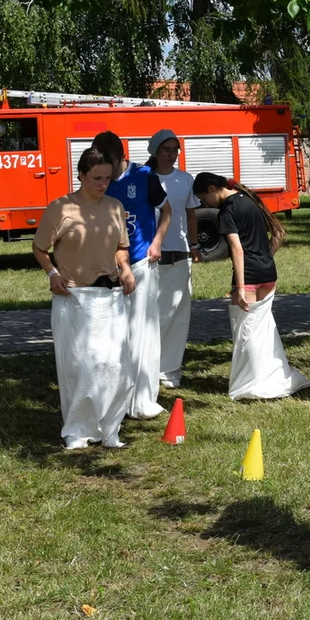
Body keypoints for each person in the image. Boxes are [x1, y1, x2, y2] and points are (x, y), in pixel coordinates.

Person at [33, 148, 136, 449]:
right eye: (96, 178)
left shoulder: (115, 206)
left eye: (107, 178)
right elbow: (40, 249)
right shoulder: (61, 208)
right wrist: (53, 274)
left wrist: (126, 268)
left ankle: (110, 429)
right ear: (80, 175)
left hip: (110, 295)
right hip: (74, 298)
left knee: (116, 366)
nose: (103, 184)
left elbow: (120, 247)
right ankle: (78, 431)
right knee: (82, 367)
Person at [193, 172, 310, 400]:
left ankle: (254, 382)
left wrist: (239, 285)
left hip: (249, 274)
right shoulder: (250, 200)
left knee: (247, 332)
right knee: (263, 328)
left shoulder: (227, 210)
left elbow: (237, 249)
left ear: (211, 189)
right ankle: (270, 373)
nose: (204, 204)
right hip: (268, 270)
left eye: (203, 199)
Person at [93, 131, 172, 420]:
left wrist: (157, 242)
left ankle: (142, 398)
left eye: (109, 163)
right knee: (114, 335)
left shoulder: (144, 176)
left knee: (143, 332)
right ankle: (115, 396)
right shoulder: (99, 183)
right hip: (107, 269)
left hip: (141, 265)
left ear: (120, 155)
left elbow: (166, 210)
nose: (105, 172)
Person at [147, 130, 202, 388]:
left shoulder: (185, 179)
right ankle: (149, 365)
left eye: (175, 150)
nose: (171, 155)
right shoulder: (146, 178)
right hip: (150, 255)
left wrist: (194, 244)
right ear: (155, 152)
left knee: (179, 313)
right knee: (155, 313)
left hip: (180, 252)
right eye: (166, 150)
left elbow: (190, 215)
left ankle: (169, 369)